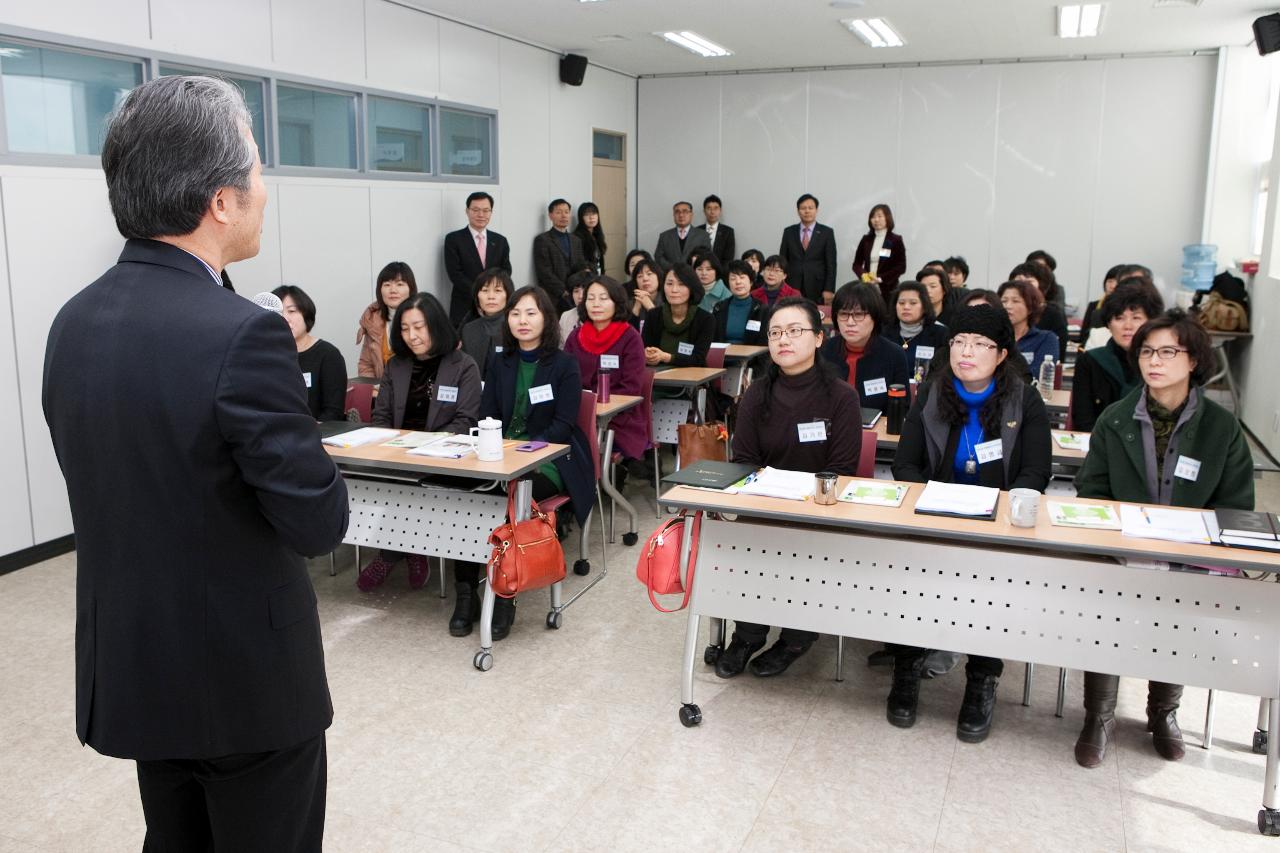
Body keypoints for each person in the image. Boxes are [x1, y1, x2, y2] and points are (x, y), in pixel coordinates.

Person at [43, 75, 348, 850]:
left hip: (138, 669)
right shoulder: (243, 333)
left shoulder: (71, 324)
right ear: (220, 200)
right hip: (244, 683)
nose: (264, 190)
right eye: (256, 168)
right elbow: (317, 521)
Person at [1072, 309, 1254, 768]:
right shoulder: (1115, 419)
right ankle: (1099, 716)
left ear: (1194, 360)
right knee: (1106, 613)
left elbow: (1236, 506)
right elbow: (1091, 491)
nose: (1155, 360)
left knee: (1184, 611)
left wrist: (1196, 544)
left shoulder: (1221, 426)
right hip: (1125, 552)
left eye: (1169, 351)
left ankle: (1163, 711)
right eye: (1148, 351)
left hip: (1191, 558)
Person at [887, 306, 1052, 742]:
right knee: (910, 581)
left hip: (994, 527)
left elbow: (1036, 472)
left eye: (980, 344)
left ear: (1001, 355)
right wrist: (929, 505)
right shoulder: (932, 392)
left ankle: (982, 679)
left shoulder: (1023, 397)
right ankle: (906, 668)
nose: (966, 351)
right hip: (933, 520)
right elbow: (905, 464)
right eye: (959, 341)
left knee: (994, 591)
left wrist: (1003, 513)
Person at [714, 297, 862, 678]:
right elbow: (744, 459)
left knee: (805, 550)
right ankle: (747, 635)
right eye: (776, 332)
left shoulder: (841, 397)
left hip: (818, 512)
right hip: (764, 506)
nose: (784, 340)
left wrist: (802, 499)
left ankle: (796, 638)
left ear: (818, 338)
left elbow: (841, 469)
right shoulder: (754, 395)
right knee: (749, 547)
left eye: (795, 331)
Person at [481, 286, 596, 635]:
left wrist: (524, 450)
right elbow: (486, 414)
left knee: (510, 498)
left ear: (545, 318)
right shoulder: (501, 361)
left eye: (531, 313)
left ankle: (505, 594)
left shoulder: (563, 364)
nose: (522, 320)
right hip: (502, 454)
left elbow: (563, 424)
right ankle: (466, 592)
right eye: (515, 313)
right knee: (469, 493)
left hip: (551, 457)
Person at [362, 292, 482, 594]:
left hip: (441, 457)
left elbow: (465, 421)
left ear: (436, 325)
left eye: (419, 327)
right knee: (378, 478)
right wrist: (387, 445)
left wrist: (424, 448)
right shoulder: (397, 365)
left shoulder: (463, 365)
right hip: (396, 453)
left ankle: (394, 553)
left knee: (414, 482)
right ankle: (411, 548)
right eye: (404, 328)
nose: (412, 336)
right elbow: (382, 415)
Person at [564, 275, 648, 471]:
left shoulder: (630, 337)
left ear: (616, 302)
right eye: (590, 298)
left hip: (618, 418)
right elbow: (564, 377)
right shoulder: (576, 336)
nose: (596, 304)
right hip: (577, 412)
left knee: (578, 441)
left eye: (603, 298)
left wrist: (598, 408)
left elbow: (631, 387)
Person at [1069, 282, 1164, 432]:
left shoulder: (1161, 362)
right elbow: (1083, 420)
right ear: (1108, 323)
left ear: (1151, 322)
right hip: (1100, 445)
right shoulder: (1090, 361)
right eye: (1119, 318)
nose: (1128, 326)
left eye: (1136, 318)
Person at [820, 282, 909, 412]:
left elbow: (902, 408)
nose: (850, 322)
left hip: (876, 429)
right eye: (844, 314)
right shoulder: (824, 350)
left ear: (874, 317)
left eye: (859, 315)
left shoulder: (894, 354)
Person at [273, 284, 348, 421]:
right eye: (279, 313)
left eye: (292, 311)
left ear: (306, 313)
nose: (285, 318)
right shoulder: (268, 356)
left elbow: (333, 412)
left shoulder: (328, 355)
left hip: (319, 434)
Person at [444, 191, 511, 327]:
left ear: (491, 212)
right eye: (476, 210)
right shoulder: (453, 239)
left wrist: (491, 293)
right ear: (467, 211)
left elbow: (505, 271)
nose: (481, 215)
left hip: (495, 307)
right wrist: (480, 293)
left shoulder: (500, 241)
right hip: (464, 305)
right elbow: (455, 274)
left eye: (486, 210)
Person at [642, 263, 714, 368]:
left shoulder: (705, 319)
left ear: (691, 288)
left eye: (681, 284)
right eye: (669, 284)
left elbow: (698, 359)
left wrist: (667, 357)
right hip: (658, 376)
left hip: (693, 379)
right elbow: (644, 348)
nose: (674, 290)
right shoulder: (653, 315)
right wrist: (648, 355)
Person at [356, 261, 417, 379]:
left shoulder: (424, 318)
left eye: (400, 284)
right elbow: (366, 365)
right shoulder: (372, 321)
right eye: (387, 284)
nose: (393, 290)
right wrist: (376, 390)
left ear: (411, 289)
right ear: (380, 290)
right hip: (383, 392)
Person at [882, 281, 949, 380]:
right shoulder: (884, 333)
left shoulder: (940, 334)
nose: (906, 307)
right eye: (901, 303)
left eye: (913, 303)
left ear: (925, 306)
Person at [778, 193, 837, 304]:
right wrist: (781, 285)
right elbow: (783, 261)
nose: (807, 211)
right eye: (803, 208)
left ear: (816, 210)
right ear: (798, 211)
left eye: (811, 208)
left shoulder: (827, 232)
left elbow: (831, 264)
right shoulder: (789, 232)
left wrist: (829, 289)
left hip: (818, 286)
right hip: (792, 284)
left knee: (815, 317)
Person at [998, 278, 1059, 381]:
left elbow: (1037, 375)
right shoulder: (993, 337)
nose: (1007, 306)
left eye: (1015, 301)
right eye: (1003, 301)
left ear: (1030, 308)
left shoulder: (1045, 339)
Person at [532, 198, 587, 308]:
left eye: (566, 212)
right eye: (558, 212)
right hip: (553, 297)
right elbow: (544, 272)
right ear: (550, 216)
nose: (564, 216)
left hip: (575, 295)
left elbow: (580, 266)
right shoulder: (542, 239)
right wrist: (563, 291)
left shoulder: (576, 240)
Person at [459, 269, 515, 377]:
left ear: (508, 295)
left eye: (498, 291)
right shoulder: (469, 329)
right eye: (485, 290)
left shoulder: (515, 327)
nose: (491, 297)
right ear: (477, 296)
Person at [1009, 261, 1068, 359]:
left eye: (1029, 282)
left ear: (1043, 286)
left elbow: (1059, 354)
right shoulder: (1004, 312)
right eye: (1018, 282)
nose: (1023, 287)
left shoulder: (1053, 314)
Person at [851, 204, 908, 300]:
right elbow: (856, 264)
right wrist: (863, 275)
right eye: (873, 217)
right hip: (867, 287)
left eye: (879, 216)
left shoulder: (895, 240)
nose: (876, 220)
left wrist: (880, 278)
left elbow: (901, 266)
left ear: (887, 218)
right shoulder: (866, 240)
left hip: (888, 288)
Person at [713, 260, 767, 345]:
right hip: (723, 356)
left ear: (751, 282)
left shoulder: (762, 309)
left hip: (751, 357)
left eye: (742, 277)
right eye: (733, 278)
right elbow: (714, 339)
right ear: (728, 283)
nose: (738, 282)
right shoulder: (719, 307)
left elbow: (764, 342)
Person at [654, 200, 711, 270]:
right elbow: (658, 257)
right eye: (677, 212)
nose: (681, 215)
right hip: (671, 275)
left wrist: (689, 270)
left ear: (691, 214)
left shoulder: (703, 236)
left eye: (685, 211)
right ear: (673, 215)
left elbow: (707, 257)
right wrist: (673, 269)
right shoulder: (664, 236)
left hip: (694, 277)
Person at [1077, 264, 1126, 344]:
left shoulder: (1127, 309)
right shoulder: (1094, 306)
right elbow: (1084, 335)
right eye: (1110, 281)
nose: (1112, 286)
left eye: (1117, 282)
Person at [700, 194, 736, 269]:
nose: (712, 212)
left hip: (720, 273)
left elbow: (728, 259)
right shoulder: (697, 231)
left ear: (720, 211)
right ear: (704, 211)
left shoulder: (728, 232)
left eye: (716, 208)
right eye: (709, 208)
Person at [689, 247, 731, 311]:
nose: (704, 273)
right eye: (699, 269)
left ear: (716, 271)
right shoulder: (689, 290)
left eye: (709, 269)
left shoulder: (726, 295)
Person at [628, 256, 663, 331]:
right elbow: (627, 334)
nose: (645, 279)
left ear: (658, 277)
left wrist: (650, 307)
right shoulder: (629, 304)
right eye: (640, 276)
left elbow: (664, 331)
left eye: (649, 274)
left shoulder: (667, 301)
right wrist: (636, 308)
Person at [574, 201, 607, 275]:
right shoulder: (577, 237)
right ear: (581, 218)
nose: (591, 217)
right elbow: (579, 263)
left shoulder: (597, 235)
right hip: (586, 277)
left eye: (594, 214)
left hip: (598, 275)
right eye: (586, 215)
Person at [559, 269, 591, 342]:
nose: (580, 296)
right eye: (576, 291)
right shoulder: (566, 317)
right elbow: (561, 346)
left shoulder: (601, 315)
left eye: (585, 291)